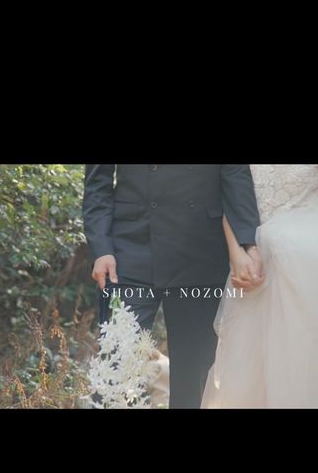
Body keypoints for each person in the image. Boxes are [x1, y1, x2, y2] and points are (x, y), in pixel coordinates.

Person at [202, 165, 318, 409]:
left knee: (314, 367)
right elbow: (229, 195)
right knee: (253, 374)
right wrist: (237, 252)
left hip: (315, 268)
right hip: (256, 263)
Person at [83, 165, 262, 409]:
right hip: (129, 250)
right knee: (116, 366)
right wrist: (102, 248)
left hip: (200, 250)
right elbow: (97, 184)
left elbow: (235, 174)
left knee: (193, 379)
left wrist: (248, 243)